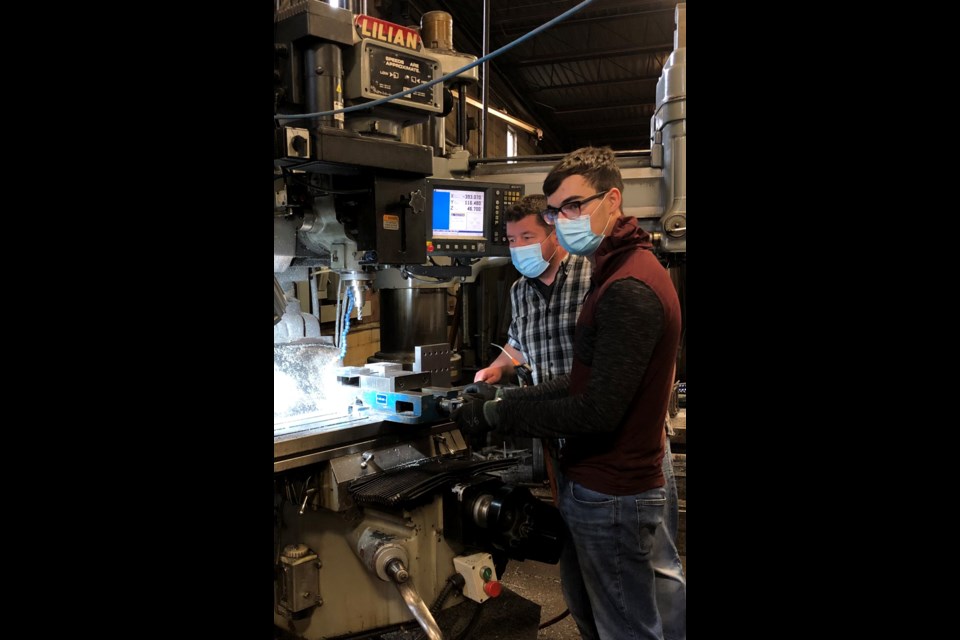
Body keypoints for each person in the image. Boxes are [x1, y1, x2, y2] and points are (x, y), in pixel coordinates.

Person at [454, 147, 685, 640]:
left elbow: (597, 405)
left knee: (633, 610)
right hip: (581, 457)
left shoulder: (622, 283)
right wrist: (505, 394)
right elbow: (576, 375)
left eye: (573, 207)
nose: (566, 219)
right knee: (598, 599)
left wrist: (498, 418)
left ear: (613, 199)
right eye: (559, 210)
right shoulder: (610, 271)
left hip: (616, 473)